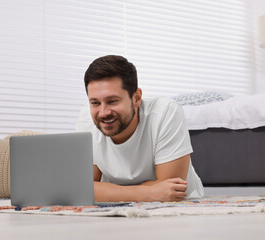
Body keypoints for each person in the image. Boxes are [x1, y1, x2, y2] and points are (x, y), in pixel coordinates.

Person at [76, 55, 204, 202]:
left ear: (136, 98)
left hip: (180, 207)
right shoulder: (86, 119)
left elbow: (171, 191)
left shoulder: (165, 112)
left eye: (112, 101)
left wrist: (107, 191)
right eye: (95, 103)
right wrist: (149, 192)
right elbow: (82, 188)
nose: (103, 112)